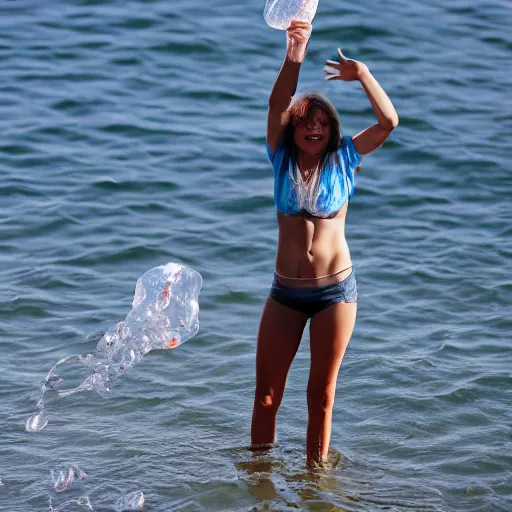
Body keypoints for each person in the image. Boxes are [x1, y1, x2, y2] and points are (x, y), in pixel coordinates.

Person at [250, 20, 399, 465]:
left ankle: (316, 485)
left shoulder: (345, 157)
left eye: (320, 123)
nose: (312, 129)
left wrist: (364, 74)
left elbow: (388, 122)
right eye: (304, 124)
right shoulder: (280, 157)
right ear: (293, 130)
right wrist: (295, 54)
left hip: (336, 293)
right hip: (285, 292)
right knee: (266, 396)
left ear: (330, 129)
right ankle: (260, 480)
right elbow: (279, 102)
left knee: (321, 397)